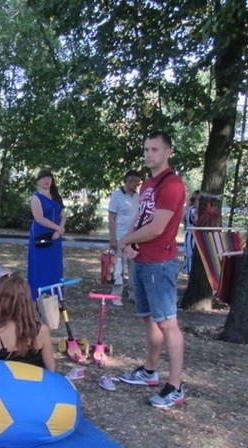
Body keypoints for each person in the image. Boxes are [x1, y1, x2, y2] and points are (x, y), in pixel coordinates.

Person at [109, 132, 187, 409]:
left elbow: (157, 228)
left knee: (168, 323)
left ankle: (175, 386)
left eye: (154, 149)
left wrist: (125, 240)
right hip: (141, 260)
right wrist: (128, 243)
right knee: (149, 319)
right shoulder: (148, 184)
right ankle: (150, 371)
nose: (149, 154)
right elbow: (140, 219)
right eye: (146, 149)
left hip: (159, 263)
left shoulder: (172, 184)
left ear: (167, 152)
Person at [0, 273, 55, 371]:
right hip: (34, 380)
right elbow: (51, 369)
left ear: (2, 301)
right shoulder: (41, 330)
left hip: (3, 380)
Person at [27, 169, 66, 299]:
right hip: (41, 235)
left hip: (56, 236)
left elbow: (63, 215)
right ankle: (39, 296)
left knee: (54, 266)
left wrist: (59, 229)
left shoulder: (56, 197)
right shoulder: (36, 198)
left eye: (48, 177)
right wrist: (57, 228)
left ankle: (56, 295)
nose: (46, 180)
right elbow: (39, 218)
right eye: (43, 178)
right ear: (38, 182)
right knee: (41, 266)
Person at [107, 169, 142, 304]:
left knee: (134, 267)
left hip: (134, 237)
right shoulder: (117, 195)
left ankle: (133, 293)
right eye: (135, 181)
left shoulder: (137, 197)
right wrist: (112, 238)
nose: (136, 184)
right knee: (118, 267)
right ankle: (116, 295)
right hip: (119, 237)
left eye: (138, 182)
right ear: (128, 181)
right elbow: (111, 218)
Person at [182, 191, 200, 275]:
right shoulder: (194, 210)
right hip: (193, 237)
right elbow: (197, 221)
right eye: (199, 199)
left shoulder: (189, 209)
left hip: (189, 236)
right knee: (192, 259)